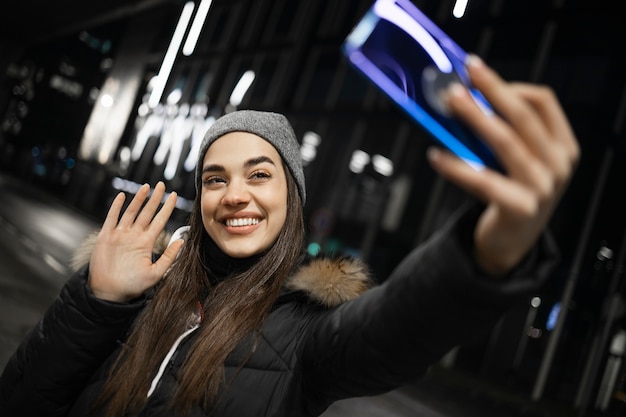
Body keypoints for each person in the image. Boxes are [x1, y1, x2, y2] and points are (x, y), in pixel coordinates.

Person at [0, 55, 579, 417]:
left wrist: (485, 252)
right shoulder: (131, 289)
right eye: (215, 179)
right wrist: (95, 301)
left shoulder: (310, 334)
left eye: (260, 174)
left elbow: (403, 325)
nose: (235, 194)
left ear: (292, 201)